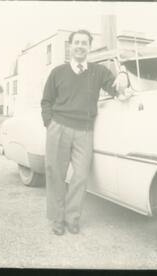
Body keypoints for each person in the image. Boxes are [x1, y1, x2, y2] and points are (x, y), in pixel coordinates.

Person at [41, 29, 128, 235]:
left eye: (84, 43)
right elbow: (46, 100)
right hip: (58, 128)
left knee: (80, 177)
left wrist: (123, 73)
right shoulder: (57, 72)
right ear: (70, 46)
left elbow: (116, 90)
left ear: (89, 47)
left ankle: (72, 218)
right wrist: (49, 124)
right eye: (76, 42)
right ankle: (57, 219)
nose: (80, 46)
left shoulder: (99, 72)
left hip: (84, 131)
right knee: (56, 175)